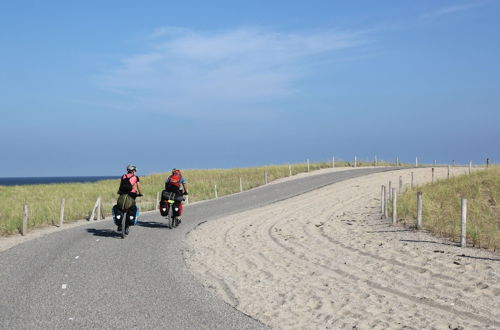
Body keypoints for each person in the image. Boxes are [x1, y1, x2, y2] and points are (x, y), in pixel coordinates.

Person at [116, 165, 143, 233]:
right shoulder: (135, 177)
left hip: (122, 193)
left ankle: (119, 223)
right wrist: (140, 193)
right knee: (132, 206)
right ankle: (129, 221)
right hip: (132, 194)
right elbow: (138, 187)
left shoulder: (123, 176)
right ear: (133, 171)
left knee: (120, 206)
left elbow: (121, 185)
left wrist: (119, 192)